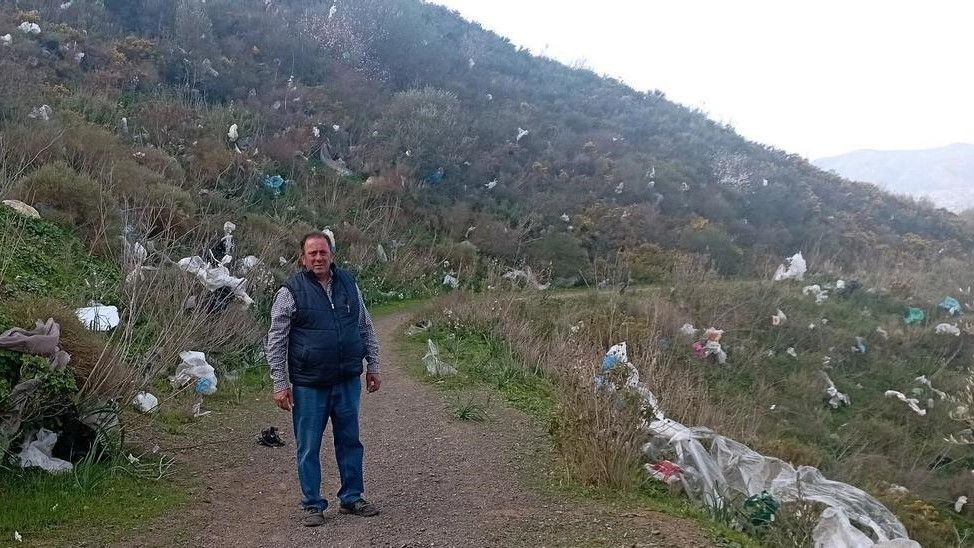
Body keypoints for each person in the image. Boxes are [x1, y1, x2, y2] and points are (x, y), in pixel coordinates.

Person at [266, 231, 382, 527]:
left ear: (332, 255)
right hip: (309, 385)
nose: (318, 258)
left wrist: (374, 365)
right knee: (308, 446)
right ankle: (312, 505)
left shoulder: (348, 284)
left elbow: (364, 326)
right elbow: (276, 340)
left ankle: (352, 497)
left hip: (346, 381)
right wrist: (280, 384)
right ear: (302, 258)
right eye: (312, 253)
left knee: (350, 441)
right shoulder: (290, 292)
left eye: (323, 252)